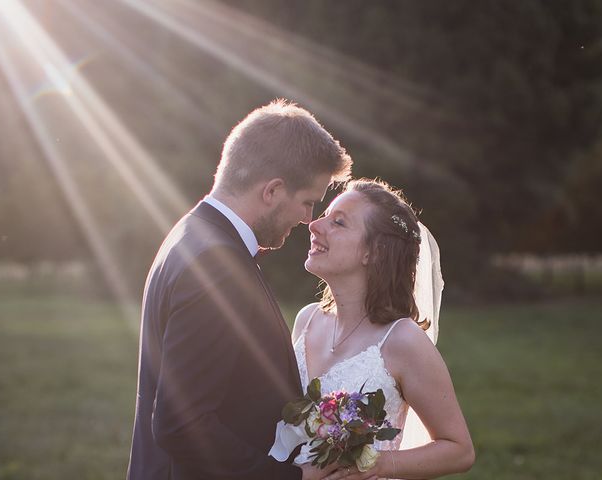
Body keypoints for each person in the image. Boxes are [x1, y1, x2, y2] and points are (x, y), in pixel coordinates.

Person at [126, 99, 352, 480]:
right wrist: (294, 477)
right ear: (272, 191)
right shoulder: (219, 264)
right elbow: (181, 424)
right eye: (308, 202)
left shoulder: (190, 233)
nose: (308, 220)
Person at [290, 178, 474, 479]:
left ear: (372, 253)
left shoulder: (402, 340)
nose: (315, 225)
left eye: (338, 222)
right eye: (325, 216)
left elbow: (459, 449)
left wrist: (378, 464)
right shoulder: (306, 321)